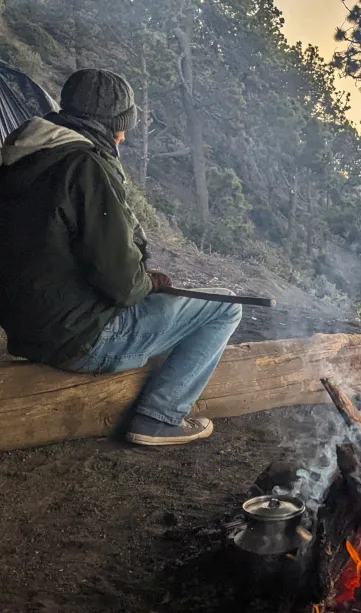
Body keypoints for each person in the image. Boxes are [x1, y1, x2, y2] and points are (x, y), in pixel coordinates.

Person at [0, 68, 242, 446]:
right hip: (79, 339)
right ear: (102, 124)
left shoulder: (23, 159)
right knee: (226, 307)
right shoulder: (84, 167)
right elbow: (124, 284)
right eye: (119, 126)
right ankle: (161, 418)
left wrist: (144, 282)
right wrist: (148, 282)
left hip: (27, 332)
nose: (123, 136)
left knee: (178, 302)